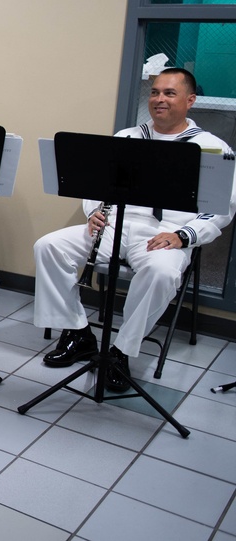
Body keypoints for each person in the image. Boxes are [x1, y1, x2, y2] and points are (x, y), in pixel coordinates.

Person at [34, 68, 236, 392]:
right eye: (155, 92)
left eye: (169, 93)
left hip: (166, 234)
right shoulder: (127, 138)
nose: (159, 99)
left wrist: (183, 236)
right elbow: (96, 188)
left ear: (190, 100)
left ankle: (121, 352)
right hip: (115, 225)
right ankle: (77, 332)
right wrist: (95, 212)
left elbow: (220, 210)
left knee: (162, 273)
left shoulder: (211, 148)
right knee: (48, 246)